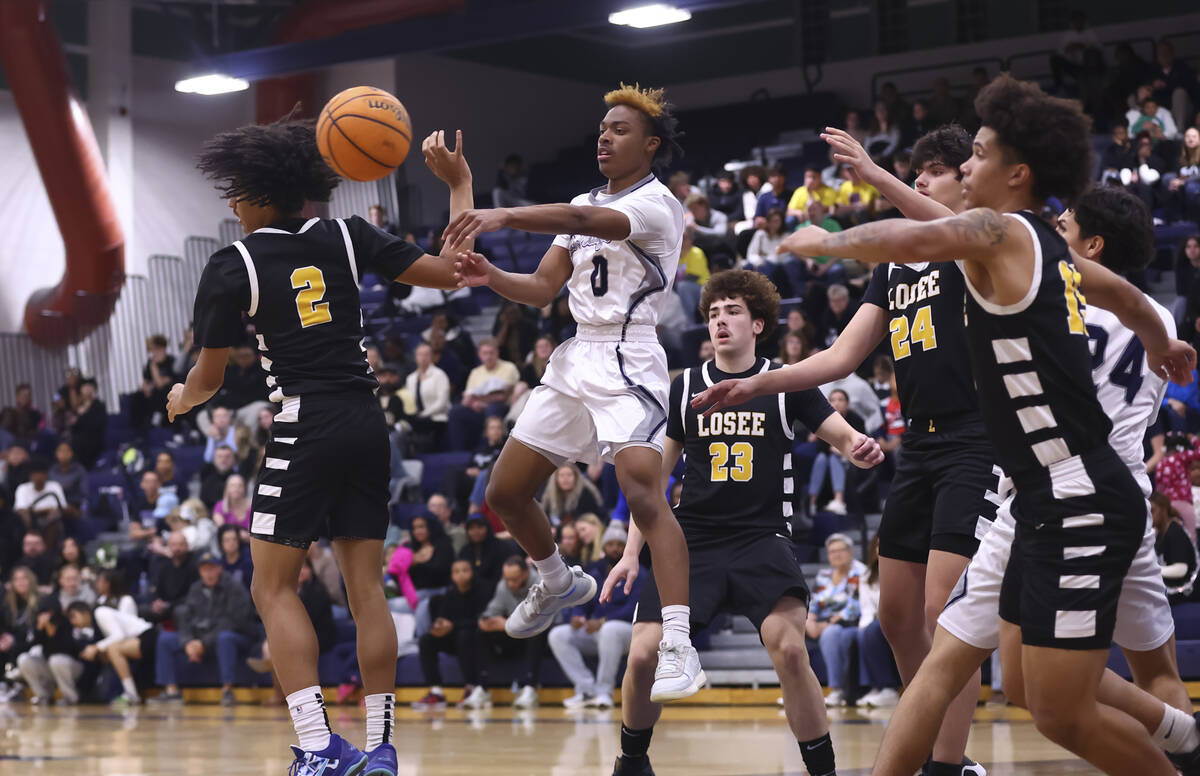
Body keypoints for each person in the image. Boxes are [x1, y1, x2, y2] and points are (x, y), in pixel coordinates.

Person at [773, 76, 1196, 776]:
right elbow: (1120, 291)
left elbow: (910, 232)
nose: (966, 167)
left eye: (977, 153)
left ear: (1017, 173)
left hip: (1078, 492)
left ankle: (1181, 744)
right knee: (954, 665)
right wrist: (1161, 338)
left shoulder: (1000, 229)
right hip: (1031, 494)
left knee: (1059, 711)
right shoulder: (1046, 250)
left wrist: (828, 244)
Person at [164, 116, 475, 775]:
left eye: (234, 190)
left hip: (304, 421)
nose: (229, 203)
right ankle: (381, 749)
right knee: (366, 588)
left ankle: (316, 746)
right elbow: (453, 273)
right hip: (366, 419)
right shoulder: (346, 234)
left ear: (256, 193)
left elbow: (211, 378)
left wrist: (183, 399)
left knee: (271, 587)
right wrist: (459, 185)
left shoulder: (234, 262)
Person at [692, 123, 991, 775]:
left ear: (967, 179)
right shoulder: (894, 269)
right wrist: (753, 384)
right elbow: (840, 356)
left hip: (978, 438)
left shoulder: (983, 245)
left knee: (947, 615)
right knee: (895, 614)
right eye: (915, 171)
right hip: (920, 447)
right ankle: (947, 747)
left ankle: (946, 765)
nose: (920, 178)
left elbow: (946, 227)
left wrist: (872, 175)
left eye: (934, 170)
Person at [871, 185, 1200, 774]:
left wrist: (876, 180)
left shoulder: (1044, 292)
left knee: (1039, 694)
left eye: (1065, 227)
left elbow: (964, 237)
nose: (1052, 234)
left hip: (1064, 492)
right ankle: (1181, 735)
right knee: (1090, 680)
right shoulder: (1157, 313)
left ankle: (1172, 751)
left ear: (1090, 245)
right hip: (1112, 493)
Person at [443, 83, 705, 701]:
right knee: (503, 492)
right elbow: (538, 289)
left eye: (618, 130)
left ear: (651, 144)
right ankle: (556, 578)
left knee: (644, 492)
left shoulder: (659, 205)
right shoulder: (585, 199)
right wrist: (491, 276)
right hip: (576, 354)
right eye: (601, 130)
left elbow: (585, 220)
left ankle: (678, 642)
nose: (604, 138)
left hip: (630, 356)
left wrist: (503, 214)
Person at [604, 269, 883, 776]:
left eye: (732, 311)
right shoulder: (685, 386)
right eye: (712, 314)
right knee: (642, 654)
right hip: (692, 541)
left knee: (790, 648)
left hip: (762, 537)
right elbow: (653, 484)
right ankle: (632, 762)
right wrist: (629, 553)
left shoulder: (786, 382)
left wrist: (857, 447)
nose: (720, 321)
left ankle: (823, 770)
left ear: (758, 324)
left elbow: (842, 436)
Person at [549, 521, 641, 709]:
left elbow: (636, 608)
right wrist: (578, 615)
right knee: (558, 635)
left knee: (610, 630)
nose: (615, 548)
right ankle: (586, 689)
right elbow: (582, 598)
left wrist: (604, 620)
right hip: (598, 630)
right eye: (610, 544)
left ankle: (603, 692)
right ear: (604, 547)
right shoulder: (595, 571)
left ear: (626, 548)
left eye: (619, 544)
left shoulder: (638, 572)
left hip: (627, 632)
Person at [152, 552, 256, 706]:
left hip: (234, 636)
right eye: (205, 569)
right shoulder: (195, 589)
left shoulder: (233, 587)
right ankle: (171, 691)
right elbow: (184, 615)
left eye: (212, 568)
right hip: (201, 638)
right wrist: (188, 643)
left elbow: (230, 621)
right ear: (199, 572)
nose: (209, 573)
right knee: (165, 639)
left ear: (219, 569)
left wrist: (202, 643)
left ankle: (227, 690)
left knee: (225, 637)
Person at [465, 556, 545, 710]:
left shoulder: (540, 584)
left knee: (535, 632)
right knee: (481, 632)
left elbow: (535, 619)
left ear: (526, 573)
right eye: (507, 579)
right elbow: (492, 610)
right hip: (514, 634)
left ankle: (530, 689)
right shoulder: (504, 586)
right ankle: (482, 688)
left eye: (514, 579)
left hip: (540, 634)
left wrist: (506, 623)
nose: (510, 584)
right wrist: (485, 620)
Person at [413, 558, 491, 710]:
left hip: (476, 639)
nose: (461, 575)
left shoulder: (483, 591)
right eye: (456, 571)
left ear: (472, 572)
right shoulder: (450, 593)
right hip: (454, 638)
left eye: (465, 570)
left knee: (464, 635)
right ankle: (435, 691)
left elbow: (482, 621)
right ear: (452, 575)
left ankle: (471, 688)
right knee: (426, 640)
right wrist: (438, 626)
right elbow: (443, 618)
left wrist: (453, 625)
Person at [806, 533, 867, 707]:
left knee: (831, 634)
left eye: (840, 550)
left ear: (850, 552)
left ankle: (837, 690)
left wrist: (827, 624)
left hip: (852, 622)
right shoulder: (824, 575)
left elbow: (856, 605)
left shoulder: (861, 572)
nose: (836, 555)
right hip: (823, 622)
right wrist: (809, 620)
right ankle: (801, 693)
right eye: (832, 552)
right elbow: (815, 602)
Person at [856, 535, 900, 707]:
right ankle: (875, 687)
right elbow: (867, 608)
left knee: (873, 630)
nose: (880, 549)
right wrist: (863, 626)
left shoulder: (904, 569)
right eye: (877, 546)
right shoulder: (867, 575)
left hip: (900, 619)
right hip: (877, 620)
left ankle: (889, 688)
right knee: (864, 633)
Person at [403, 342, 451, 454]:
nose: (423, 358)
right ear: (415, 357)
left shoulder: (439, 375)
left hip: (436, 417)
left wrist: (424, 414)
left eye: (426, 354)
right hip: (417, 418)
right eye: (420, 354)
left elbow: (442, 402)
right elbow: (409, 400)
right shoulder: (411, 378)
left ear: (431, 357)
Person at [1150, 492, 1198, 603]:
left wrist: (1151, 569)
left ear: (1163, 510)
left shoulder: (1174, 531)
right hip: (1171, 592)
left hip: (1183, 594)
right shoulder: (1161, 533)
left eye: (1152, 511)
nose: (1149, 516)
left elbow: (1181, 569)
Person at [14, 458, 67, 548]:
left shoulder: (54, 486)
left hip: (49, 521)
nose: (38, 477)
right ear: (30, 476)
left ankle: (47, 552)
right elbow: (21, 509)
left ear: (46, 475)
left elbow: (61, 508)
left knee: (54, 520)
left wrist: (45, 512)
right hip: (29, 521)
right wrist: (44, 510)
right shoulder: (23, 488)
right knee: (23, 516)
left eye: (41, 473)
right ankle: (28, 543)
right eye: (35, 474)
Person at [457, 514, 514, 592]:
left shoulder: (501, 547)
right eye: (471, 528)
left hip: (497, 590)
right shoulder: (465, 551)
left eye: (479, 527)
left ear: (487, 528)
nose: (475, 531)